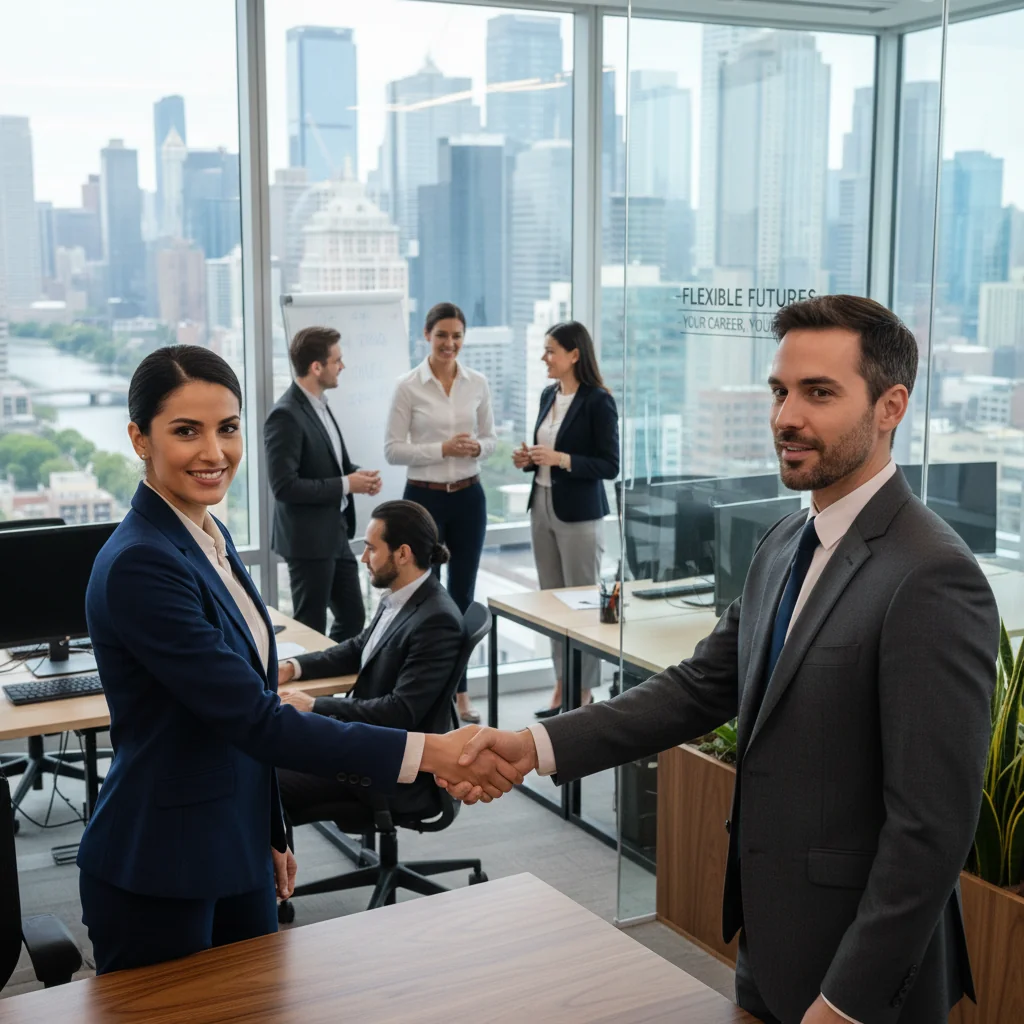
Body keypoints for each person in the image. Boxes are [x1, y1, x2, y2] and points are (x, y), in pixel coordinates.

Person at [448, 296, 999, 1024]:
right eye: (780, 391)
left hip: (861, 984)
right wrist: (531, 744)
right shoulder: (783, 543)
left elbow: (932, 829)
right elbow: (696, 690)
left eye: (819, 393)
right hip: (771, 947)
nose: (786, 417)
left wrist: (846, 1001)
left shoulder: (931, 575)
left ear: (891, 405)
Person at [77, 345, 521, 974]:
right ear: (139, 438)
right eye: (186, 431)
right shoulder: (141, 563)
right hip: (162, 859)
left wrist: (271, 826)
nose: (214, 452)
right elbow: (256, 719)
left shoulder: (207, 535)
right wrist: (431, 750)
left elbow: (241, 715)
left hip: (237, 844)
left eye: (227, 429)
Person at [276, 499, 464, 823]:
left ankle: (271, 872)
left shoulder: (436, 621)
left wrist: (315, 706)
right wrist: (294, 667)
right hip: (363, 740)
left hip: (386, 769)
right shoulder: (402, 596)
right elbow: (359, 648)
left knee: (261, 779)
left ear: (402, 554)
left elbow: (399, 712)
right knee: (262, 754)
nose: (364, 558)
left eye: (371, 549)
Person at [385, 302, 497, 724]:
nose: (450, 344)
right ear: (426, 336)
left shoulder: (478, 382)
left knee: (463, 594)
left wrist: (476, 447)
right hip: (424, 500)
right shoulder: (408, 386)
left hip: (469, 496)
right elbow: (392, 450)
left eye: (457, 336)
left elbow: (490, 438)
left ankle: (460, 693)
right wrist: (442, 449)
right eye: (441, 336)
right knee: (422, 595)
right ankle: (420, 691)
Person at [514, 321, 619, 718]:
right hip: (541, 504)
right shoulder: (548, 395)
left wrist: (560, 459)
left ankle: (584, 691)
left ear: (574, 354)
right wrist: (529, 460)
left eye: (550, 351)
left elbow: (609, 465)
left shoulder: (597, 401)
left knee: (582, 604)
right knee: (553, 602)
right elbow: (545, 451)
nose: (544, 358)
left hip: (579, 514)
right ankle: (562, 686)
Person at [265, 326, 382, 642]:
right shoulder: (285, 415)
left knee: (354, 618)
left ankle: (333, 688)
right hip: (307, 542)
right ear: (316, 367)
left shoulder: (321, 404)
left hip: (336, 533)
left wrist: (358, 476)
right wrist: (347, 484)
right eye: (337, 360)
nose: (342, 366)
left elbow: (330, 463)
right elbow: (284, 486)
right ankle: (306, 690)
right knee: (310, 627)